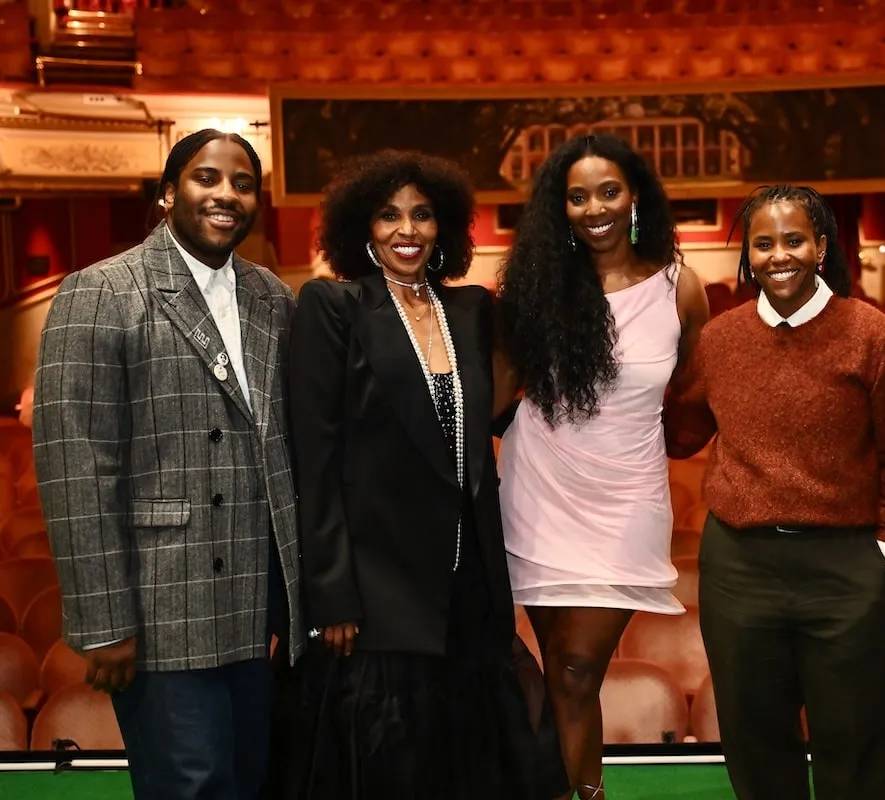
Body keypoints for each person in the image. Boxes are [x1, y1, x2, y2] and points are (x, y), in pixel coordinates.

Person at [284, 149, 565, 799]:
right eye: (388, 216)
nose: (406, 229)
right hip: (377, 587)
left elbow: (492, 419)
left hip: (467, 581)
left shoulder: (468, 310)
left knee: (466, 767)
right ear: (363, 227)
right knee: (390, 770)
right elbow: (316, 460)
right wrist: (332, 593)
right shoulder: (333, 306)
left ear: (445, 229)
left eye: (422, 215)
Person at [31, 129, 304, 799]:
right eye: (207, 178)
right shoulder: (102, 290)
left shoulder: (273, 298)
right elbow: (75, 468)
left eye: (242, 184)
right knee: (190, 787)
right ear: (167, 193)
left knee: (251, 782)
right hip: (161, 610)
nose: (226, 195)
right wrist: (104, 625)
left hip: (256, 603)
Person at [665, 184, 885, 800]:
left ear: (821, 246)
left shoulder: (870, 334)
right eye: (764, 243)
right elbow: (679, 433)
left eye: (795, 239)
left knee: (854, 743)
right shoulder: (721, 340)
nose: (780, 255)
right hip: (740, 569)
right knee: (755, 742)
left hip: (847, 567)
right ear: (748, 256)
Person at [494, 132, 709, 799]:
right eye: (577, 196)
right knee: (563, 670)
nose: (594, 208)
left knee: (578, 665)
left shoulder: (681, 287)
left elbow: (696, 399)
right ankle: (577, 791)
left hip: (627, 498)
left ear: (635, 194)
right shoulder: (533, 288)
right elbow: (499, 395)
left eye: (608, 191)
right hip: (539, 487)